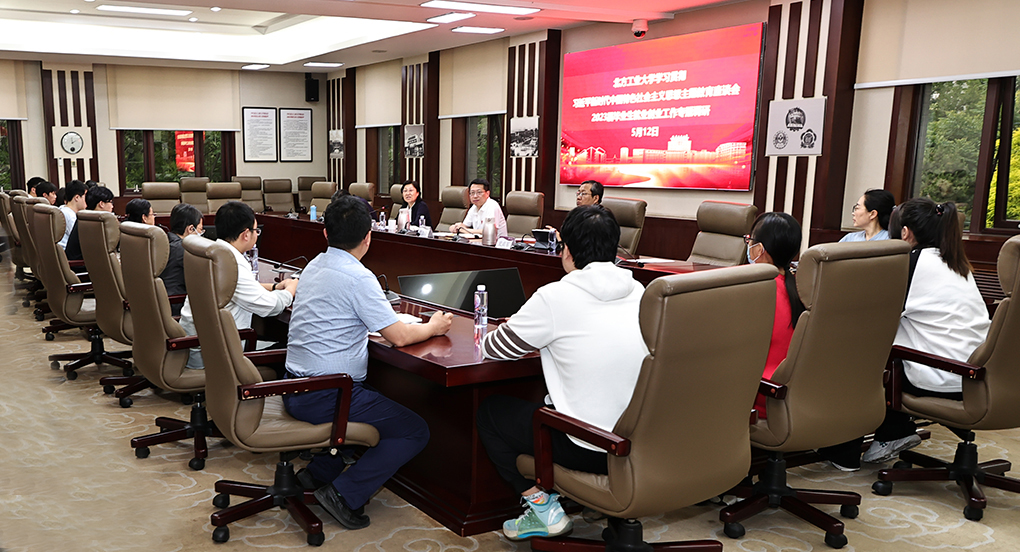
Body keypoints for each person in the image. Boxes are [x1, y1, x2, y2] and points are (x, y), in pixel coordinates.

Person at [475, 204, 648, 541]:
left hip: (590, 445)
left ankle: (541, 508)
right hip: (641, 441)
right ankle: (592, 502)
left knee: (490, 413)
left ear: (566, 250)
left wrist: (528, 329)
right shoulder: (640, 291)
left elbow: (494, 348)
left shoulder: (556, 295)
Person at [282, 194, 453, 530]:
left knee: (375, 395)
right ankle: (343, 494)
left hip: (295, 386)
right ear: (368, 237)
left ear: (325, 234)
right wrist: (434, 327)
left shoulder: (314, 265)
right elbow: (399, 336)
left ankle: (316, 475)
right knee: (414, 431)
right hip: (326, 395)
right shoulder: (359, 277)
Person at [860, 198, 990, 464]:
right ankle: (895, 429)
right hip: (979, 377)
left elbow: (874, 315)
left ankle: (889, 434)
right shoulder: (957, 264)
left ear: (905, 233)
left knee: (866, 354)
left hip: (945, 377)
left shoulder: (912, 262)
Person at [178, 201, 298, 369]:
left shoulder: (213, 253)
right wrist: (291, 289)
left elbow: (235, 289)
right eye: (256, 231)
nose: (257, 235)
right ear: (246, 234)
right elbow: (271, 306)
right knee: (291, 350)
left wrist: (274, 287)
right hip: (218, 356)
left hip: (199, 346)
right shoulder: (231, 263)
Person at [744, 213, 805, 420]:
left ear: (759, 249)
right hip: (795, 395)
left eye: (750, 240)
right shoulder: (802, 289)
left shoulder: (754, 290)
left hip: (761, 395)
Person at [161, 203, 204, 315]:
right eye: (200, 230)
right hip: (176, 307)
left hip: (163, 305)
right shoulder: (184, 250)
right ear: (190, 229)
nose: (201, 234)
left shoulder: (165, 242)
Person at [64, 185, 115, 261]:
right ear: (101, 204)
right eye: (110, 202)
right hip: (81, 265)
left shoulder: (85, 217)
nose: (112, 206)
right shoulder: (94, 222)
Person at [57, 180, 87, 249]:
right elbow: (81, 239)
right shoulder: (71, 217)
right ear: (77, 198)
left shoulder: (61, 208)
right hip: (67, 252)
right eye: (85, 196)